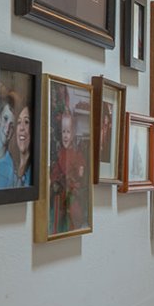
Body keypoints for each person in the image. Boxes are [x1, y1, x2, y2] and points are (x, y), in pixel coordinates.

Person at [49, 88, 87, 232]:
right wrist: (54, 179)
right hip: (60, 193)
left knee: (74, 213)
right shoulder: (59, 153)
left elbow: (80, 171)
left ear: (73, 134)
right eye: (63, 131)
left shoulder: (76, 154)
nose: (65, 135)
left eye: (68, 131)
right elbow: (55, 171)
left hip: (71, 193)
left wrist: (79, 172)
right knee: (58, 217)